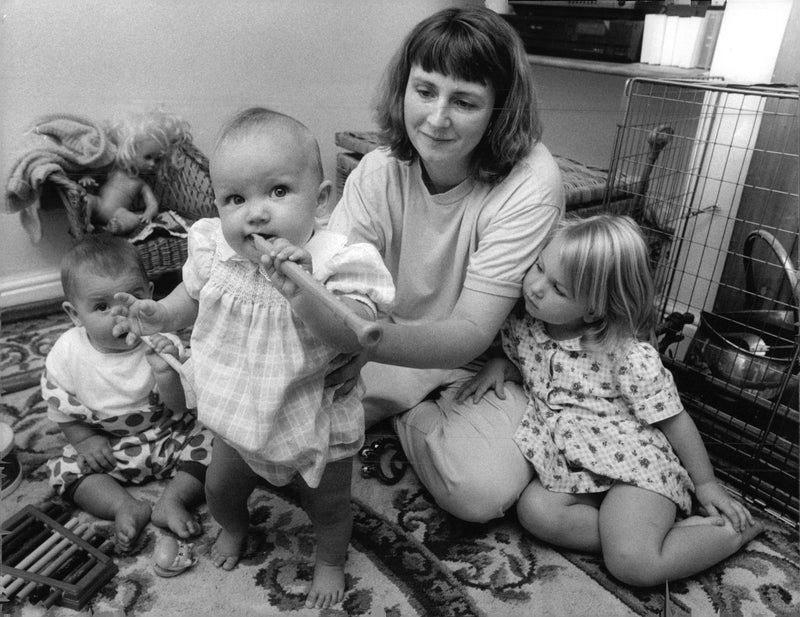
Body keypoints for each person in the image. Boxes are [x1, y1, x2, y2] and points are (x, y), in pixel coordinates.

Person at [111, 107, 394, 609]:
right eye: (235, 199)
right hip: (236, 413)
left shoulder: (339, 262)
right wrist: (161, 313)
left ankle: (330, 559)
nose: (256, 213)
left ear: (321, 201)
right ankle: (236, 529)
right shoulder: (215, 250)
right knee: (220, 491)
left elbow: (351, 336)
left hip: (313, 420)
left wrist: (302, 293)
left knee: (328, 505)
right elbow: (192, 298)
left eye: (278, 192)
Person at [327, 6, 564, 522]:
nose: (436, 119)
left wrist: (362, 343)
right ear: (404, 88)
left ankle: (407, 415)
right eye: (425, 91)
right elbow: (337, 282)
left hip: (479, 363)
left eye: (465, 102)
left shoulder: (531, 184)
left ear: (499, 109)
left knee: (478, 494)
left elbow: (472, 331)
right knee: (265, 420)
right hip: (387, 345)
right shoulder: (377, 171)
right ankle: (404, 408)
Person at [456, 214, 763, 586]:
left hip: (635, 469)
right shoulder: (523, 327)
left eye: (558, 289)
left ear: (594, 309)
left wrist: (707, 483)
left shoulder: (625, 355)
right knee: (535, 511)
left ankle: (728, 533)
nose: (536, 287)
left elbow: (674, 419)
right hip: (575, 469)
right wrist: (498, 364)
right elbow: (520, 359)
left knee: (633, 565)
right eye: (539, 267)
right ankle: (632, 532)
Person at [42, 233, 212, 553]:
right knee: (65, 470)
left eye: (129, 298)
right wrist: (85, 440)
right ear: (75, 314)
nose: (118, 315)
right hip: (112, 447)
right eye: (101, 306)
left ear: (149, 295)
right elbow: (60, 406)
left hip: (167, 434)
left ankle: (173, 499)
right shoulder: (67, 353)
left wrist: (165, 372)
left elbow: (180, 408)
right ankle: (123, 505)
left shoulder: (163, 341)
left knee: (219, 440)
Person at [81, 110, 191, 235]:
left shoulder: (140, 184)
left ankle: (117, 227)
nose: (152, 164)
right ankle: (86, 222)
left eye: (157, 160)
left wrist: (148, 214)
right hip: (98, 204)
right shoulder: (113, 170)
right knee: (87, 199)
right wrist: (87, 178)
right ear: (131, 151)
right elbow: (96, 172)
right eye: (148, 157)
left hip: (119, 212)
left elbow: (153, 204)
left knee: (133, 219)